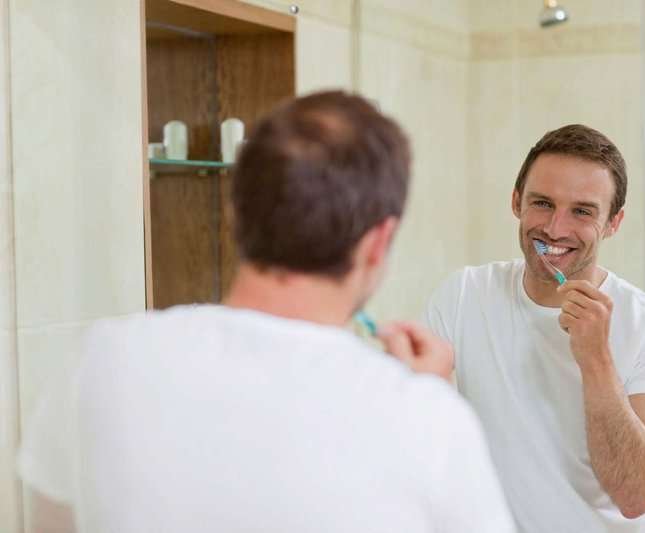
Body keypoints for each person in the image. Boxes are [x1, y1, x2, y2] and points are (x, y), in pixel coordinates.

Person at [17, 91, 515, 533]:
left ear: (237, 212)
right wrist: (425, 399)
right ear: (377, 242)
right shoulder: (427, 419)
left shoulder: (103, 359)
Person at [424, 124, 645, 532]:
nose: (555, 229)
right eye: (542, 203)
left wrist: (596, 360)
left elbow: (637, 495)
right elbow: (428, 444)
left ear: (613, 222)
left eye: (582, 211)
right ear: (517, 202)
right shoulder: (464, 295)